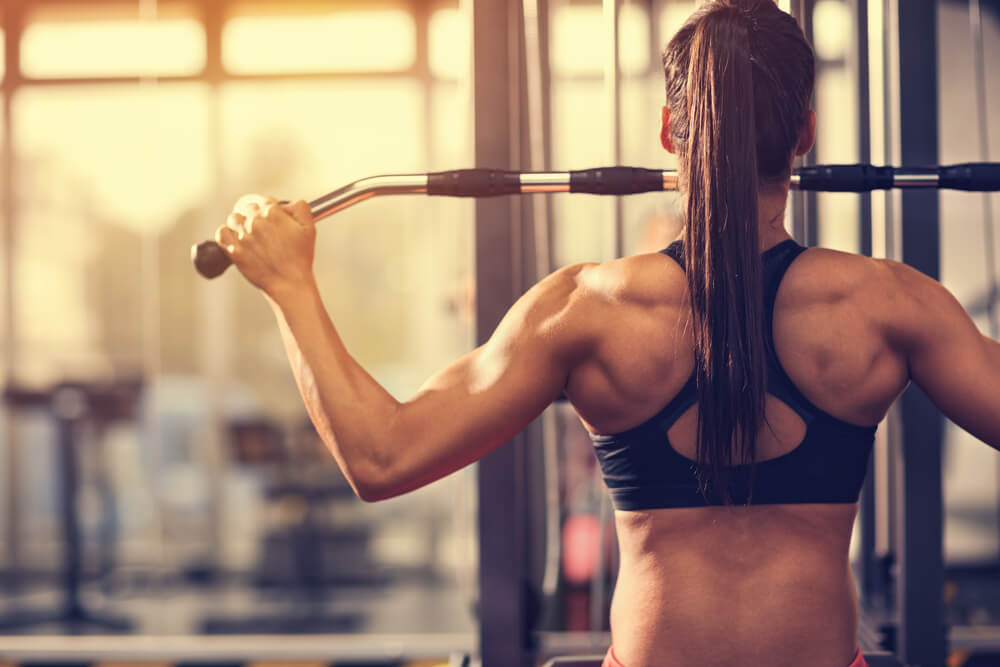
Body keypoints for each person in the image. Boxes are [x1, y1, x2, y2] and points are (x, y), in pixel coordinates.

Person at [214, 1, 1000, 665]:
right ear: (806, 134)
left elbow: (380, 454)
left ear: (669, 131)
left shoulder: (586, 310)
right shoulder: (889, 307)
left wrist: (291, 286)